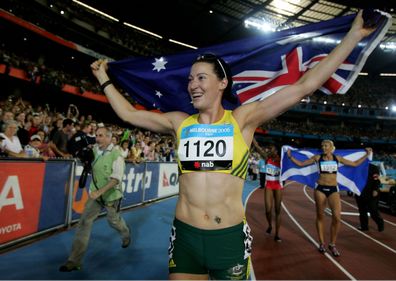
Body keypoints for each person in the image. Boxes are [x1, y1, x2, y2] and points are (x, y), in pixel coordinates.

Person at [91, 11, 375, 279]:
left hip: (228, 239)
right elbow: (128, 114)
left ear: (222, 83)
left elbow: (304, 86)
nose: (193, 84)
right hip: (185, 238)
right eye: (190, 79)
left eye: (201, 77)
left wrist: (353, 35)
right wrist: (103, 78)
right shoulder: (179, 122)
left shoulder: (243, 119)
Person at [59, 126, 131, 272]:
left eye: (102, 136)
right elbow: (84, 158)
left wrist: (99, 192)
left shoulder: (117, 155)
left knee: (114, 222)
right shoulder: (94, 150)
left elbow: (116, 179)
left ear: (110, 138)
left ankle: (126, 234)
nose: (98, 138)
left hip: (111, 196)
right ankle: (74, 261)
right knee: (84, 222)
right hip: (95, 196)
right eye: (97, 135)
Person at [287, 140, 372, 257]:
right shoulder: (318, 157)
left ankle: (332, 244)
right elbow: (301, 164)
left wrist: (367, 155)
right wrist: (291, 157)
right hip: (320, 189)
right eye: (322, 145)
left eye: (326, 145)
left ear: (331, 147)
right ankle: (322, 243)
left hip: (333, 189)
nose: (323, 147)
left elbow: (355, 164)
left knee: (337, 218)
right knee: (320, 216)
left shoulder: (337, 158)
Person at [253, 139, 283, 242]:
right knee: (268, 210)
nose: (270, 150)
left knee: (278, 210)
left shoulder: (282, 161)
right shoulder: (267, 158)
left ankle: (277, 234)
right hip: (269, 186)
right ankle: (270, 225)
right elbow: (257, 147)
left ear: (277, 150)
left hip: (278, 186)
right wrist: (253, 138)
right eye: (269, 149)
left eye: (272, 149)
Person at [355, 163, 384, 232]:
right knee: (362, 211)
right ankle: (364, 226)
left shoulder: (374, 168)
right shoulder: (356, 167)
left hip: (371, 193)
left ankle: (380, 223)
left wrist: (375, 189)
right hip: (360, 192)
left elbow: (377, 180)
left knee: (373, 211)